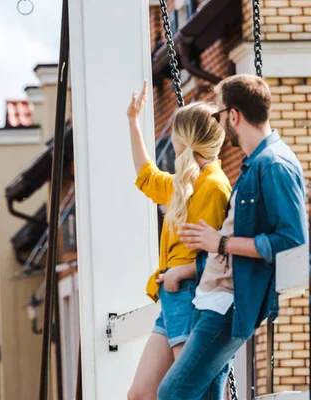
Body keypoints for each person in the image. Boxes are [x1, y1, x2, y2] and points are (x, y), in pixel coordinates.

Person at [157, 74, 309, 399]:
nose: (219, 123)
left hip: (227, 305)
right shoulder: (254, 165)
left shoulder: (274, 165)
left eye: (220, 114)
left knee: (172, 392)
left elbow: (291, 238)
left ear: (235, 115)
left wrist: (220, 243)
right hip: (210, 298)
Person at [126, 81, 232, 399]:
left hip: (190, 295)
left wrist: (179, 273)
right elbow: (146, 177)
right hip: (172, 299)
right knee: (140, 394)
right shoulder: (182, 183)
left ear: (184, 138)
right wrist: (133, 120)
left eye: (174, 132)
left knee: (189, 394)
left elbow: (220, 256)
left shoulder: (214, 186)